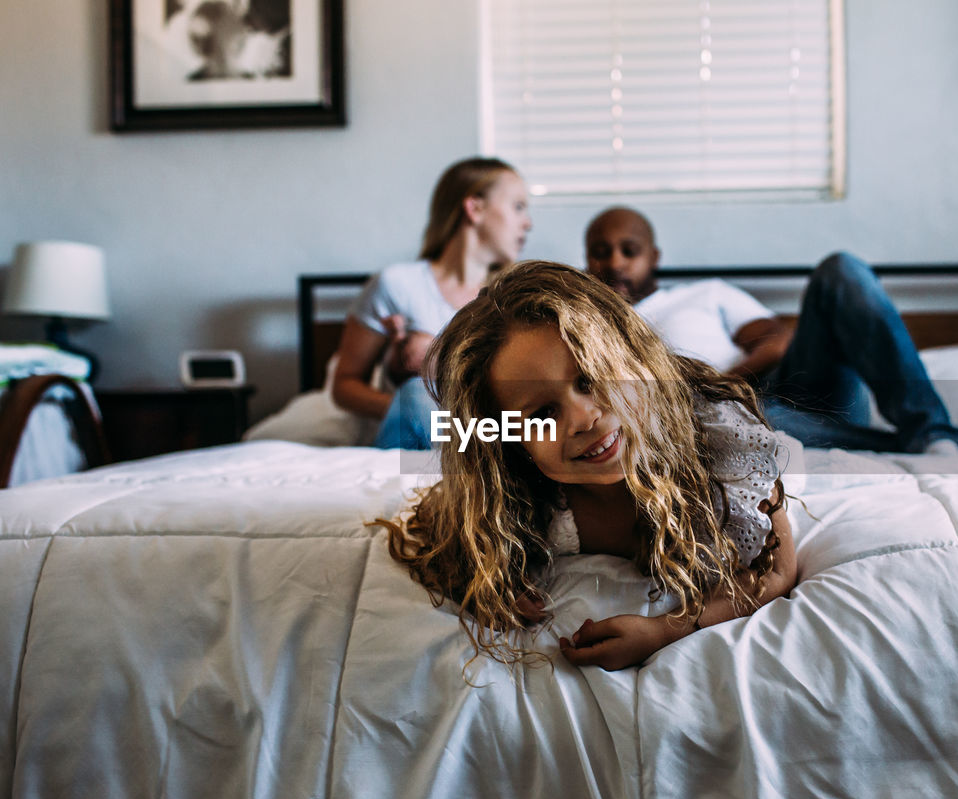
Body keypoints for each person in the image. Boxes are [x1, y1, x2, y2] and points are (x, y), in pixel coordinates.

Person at [375, 261, 796, 671]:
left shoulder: (723, 443)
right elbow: (436, 530)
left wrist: (665, 630)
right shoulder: (517, 490)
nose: (583, 419)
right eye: (542, 415)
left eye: (591, 379)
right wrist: (482, 582)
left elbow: (776, 569)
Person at [584, 206, 958, 454]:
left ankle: (930, 427)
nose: (615, 262)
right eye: (601, 251)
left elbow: (779, 339)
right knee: (718, 426)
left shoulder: (706, 292)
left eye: (629, 249)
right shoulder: (586, 323)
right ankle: (955, 441)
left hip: (789, 387)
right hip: (725, 420)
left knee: (842, 270)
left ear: (655, 257)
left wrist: (729, 379)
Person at [331, 157, 532, 448]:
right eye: (518, 207)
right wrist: (412, 405)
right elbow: (344, 387)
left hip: (486, 438)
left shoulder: (512, 298)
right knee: (417, 393)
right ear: (474, 208)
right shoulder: (397, 285)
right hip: (409, 443)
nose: (528, 223)